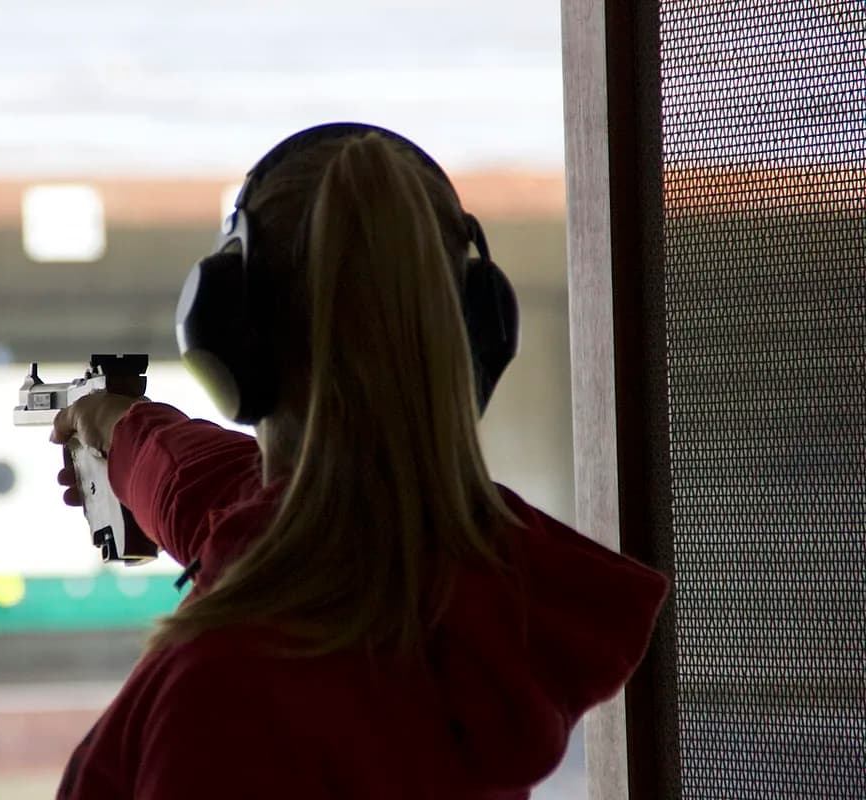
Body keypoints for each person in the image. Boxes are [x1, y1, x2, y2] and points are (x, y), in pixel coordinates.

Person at [49, 123, 668, 799]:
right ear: (477, 333)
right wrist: (118, 425)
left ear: (225, 338)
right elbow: (221, 498)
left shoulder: (232, 690)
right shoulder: (481, 598)